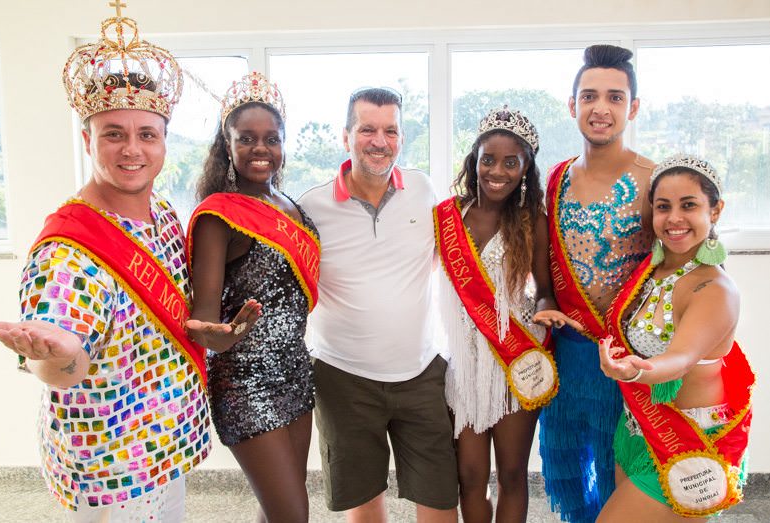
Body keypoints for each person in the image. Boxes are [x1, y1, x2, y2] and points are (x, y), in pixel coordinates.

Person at [0, 5, 214, 521]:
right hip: (111, 466)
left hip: (164, 447)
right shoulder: (67, 250)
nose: (131, 149)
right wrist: (56, 353)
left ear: (163, 143)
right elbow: (63, 357)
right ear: (88, 140)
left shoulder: (162, 213)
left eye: (146, 134)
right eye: (113, 133)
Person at [297, 87, 458, 522]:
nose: (379, 141)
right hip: (343, 378)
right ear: (345, 135)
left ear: (402, 138)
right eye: (367, 128)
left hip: (421, 372)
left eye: (391, 130)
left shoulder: (424, 191)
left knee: (441, 497)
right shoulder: (310, 207)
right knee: (364, 501)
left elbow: (458, 259)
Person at [436, 105, 581, 523]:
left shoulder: (532, 221)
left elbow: (544, 293)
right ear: (474, 161)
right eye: (488, 159)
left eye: (510, 162)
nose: (497, 170)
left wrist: (546, 309)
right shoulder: (448, 217)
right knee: (470, 476)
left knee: (513, 474)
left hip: (517, 361)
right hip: (464, 365)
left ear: (525, 169)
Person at [186, 71, 319, 523]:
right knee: (292, 515)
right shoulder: (218, 216)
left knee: (280, 507)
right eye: (247, 138)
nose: (261, 149)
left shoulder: (289, 204)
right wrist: (226, 334)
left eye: (271, 138)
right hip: (244, 383)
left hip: (295, 371)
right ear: (228, 144)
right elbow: (203, 323)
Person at [596, 155, 753, 522]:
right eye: (663, 207)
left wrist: (637, 370)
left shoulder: (714, 289)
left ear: (715, 211)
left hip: (687, 444)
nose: (674, 219)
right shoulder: (651, 271)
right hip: (637, 428)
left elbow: (681, 358)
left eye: (689, 205)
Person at [538, 44, 655, 523]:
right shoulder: (558, 177)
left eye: (613, 96)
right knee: (565, 464)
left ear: (633, 107)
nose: (600, 108)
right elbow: (545, 251)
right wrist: (545, 296)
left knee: (619, 470)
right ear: (572, 106)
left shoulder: (655, 179)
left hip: (627, 358)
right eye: (589, 96)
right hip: (567, 351)